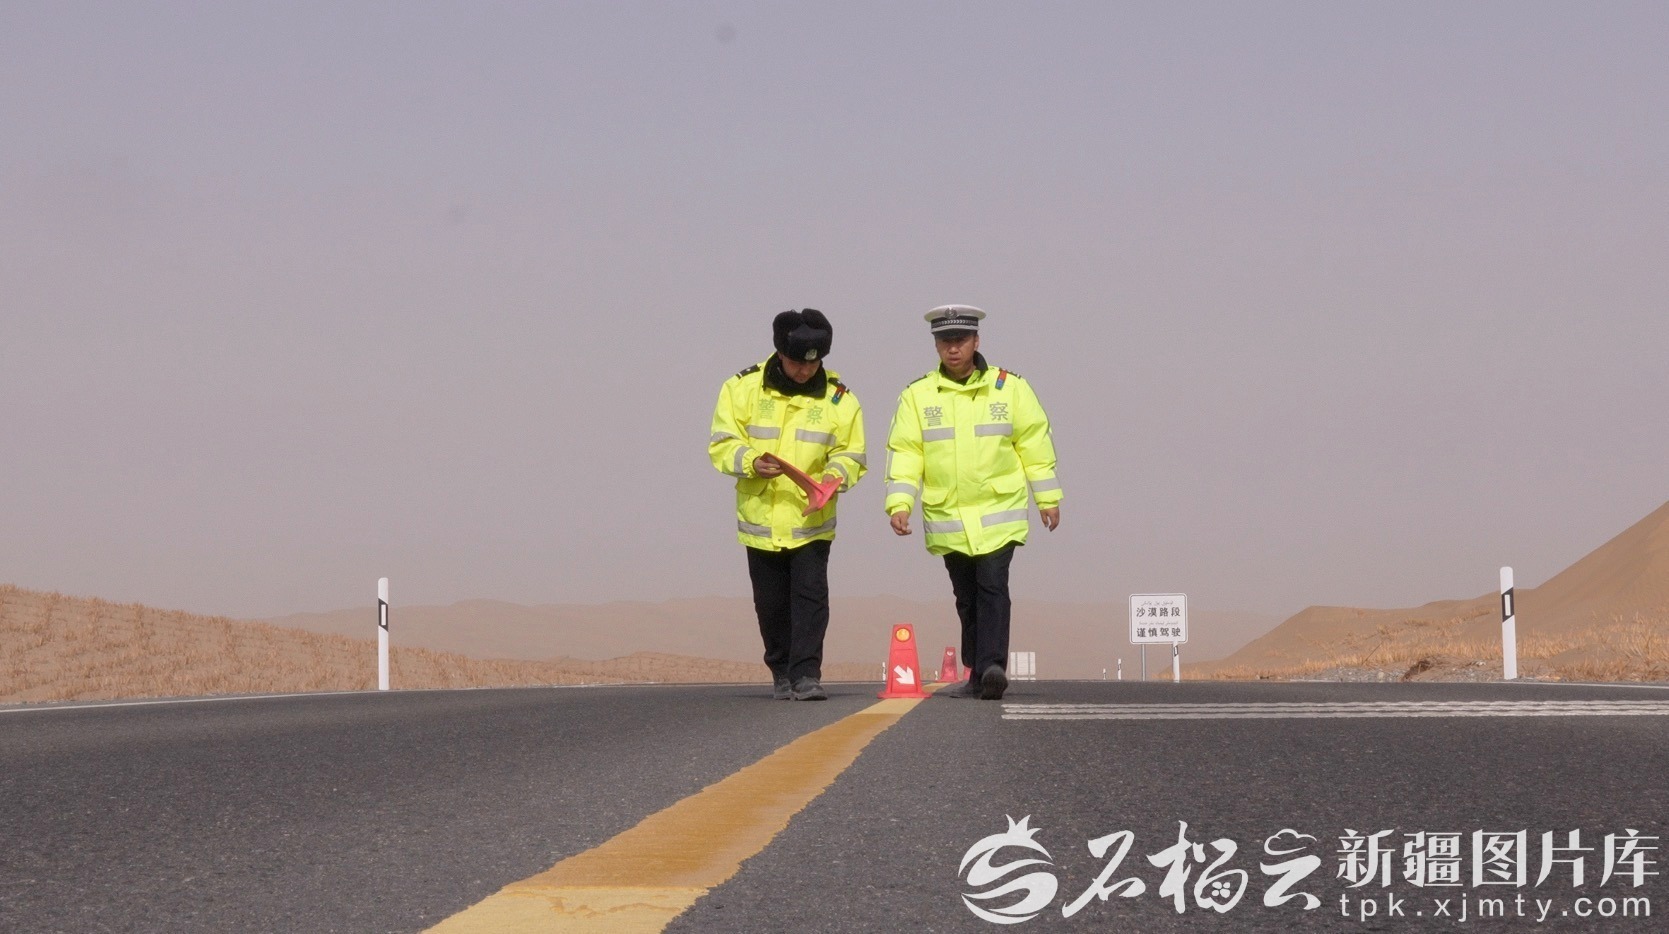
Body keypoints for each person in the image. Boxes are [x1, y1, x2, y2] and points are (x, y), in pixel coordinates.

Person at [884, 305, 1061, 700]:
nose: (953, 348)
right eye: (945, 341)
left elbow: (1034, 444)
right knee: (966, 597)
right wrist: (900, 503)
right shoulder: (918, 396)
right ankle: (977, 672)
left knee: (993, 585)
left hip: (999, 513)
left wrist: (1047, 498)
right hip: (949, 515)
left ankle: (993, 664)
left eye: (961, 340)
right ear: (935, 345)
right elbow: (906, 453)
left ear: (976, 341)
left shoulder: (1010, 389)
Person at [709, 309, 866, 701]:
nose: (805, 370)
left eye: (814, 363)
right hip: (760, 520)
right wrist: (750, 462)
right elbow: (722, 443)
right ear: (780, 353)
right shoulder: (742, 388)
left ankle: (807, 674)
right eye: (797, 363)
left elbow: (851, 453)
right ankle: (781, 671)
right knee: (771, 605)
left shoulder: (840, 399)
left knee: (811, 599)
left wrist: (834, 477)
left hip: (811, 521)